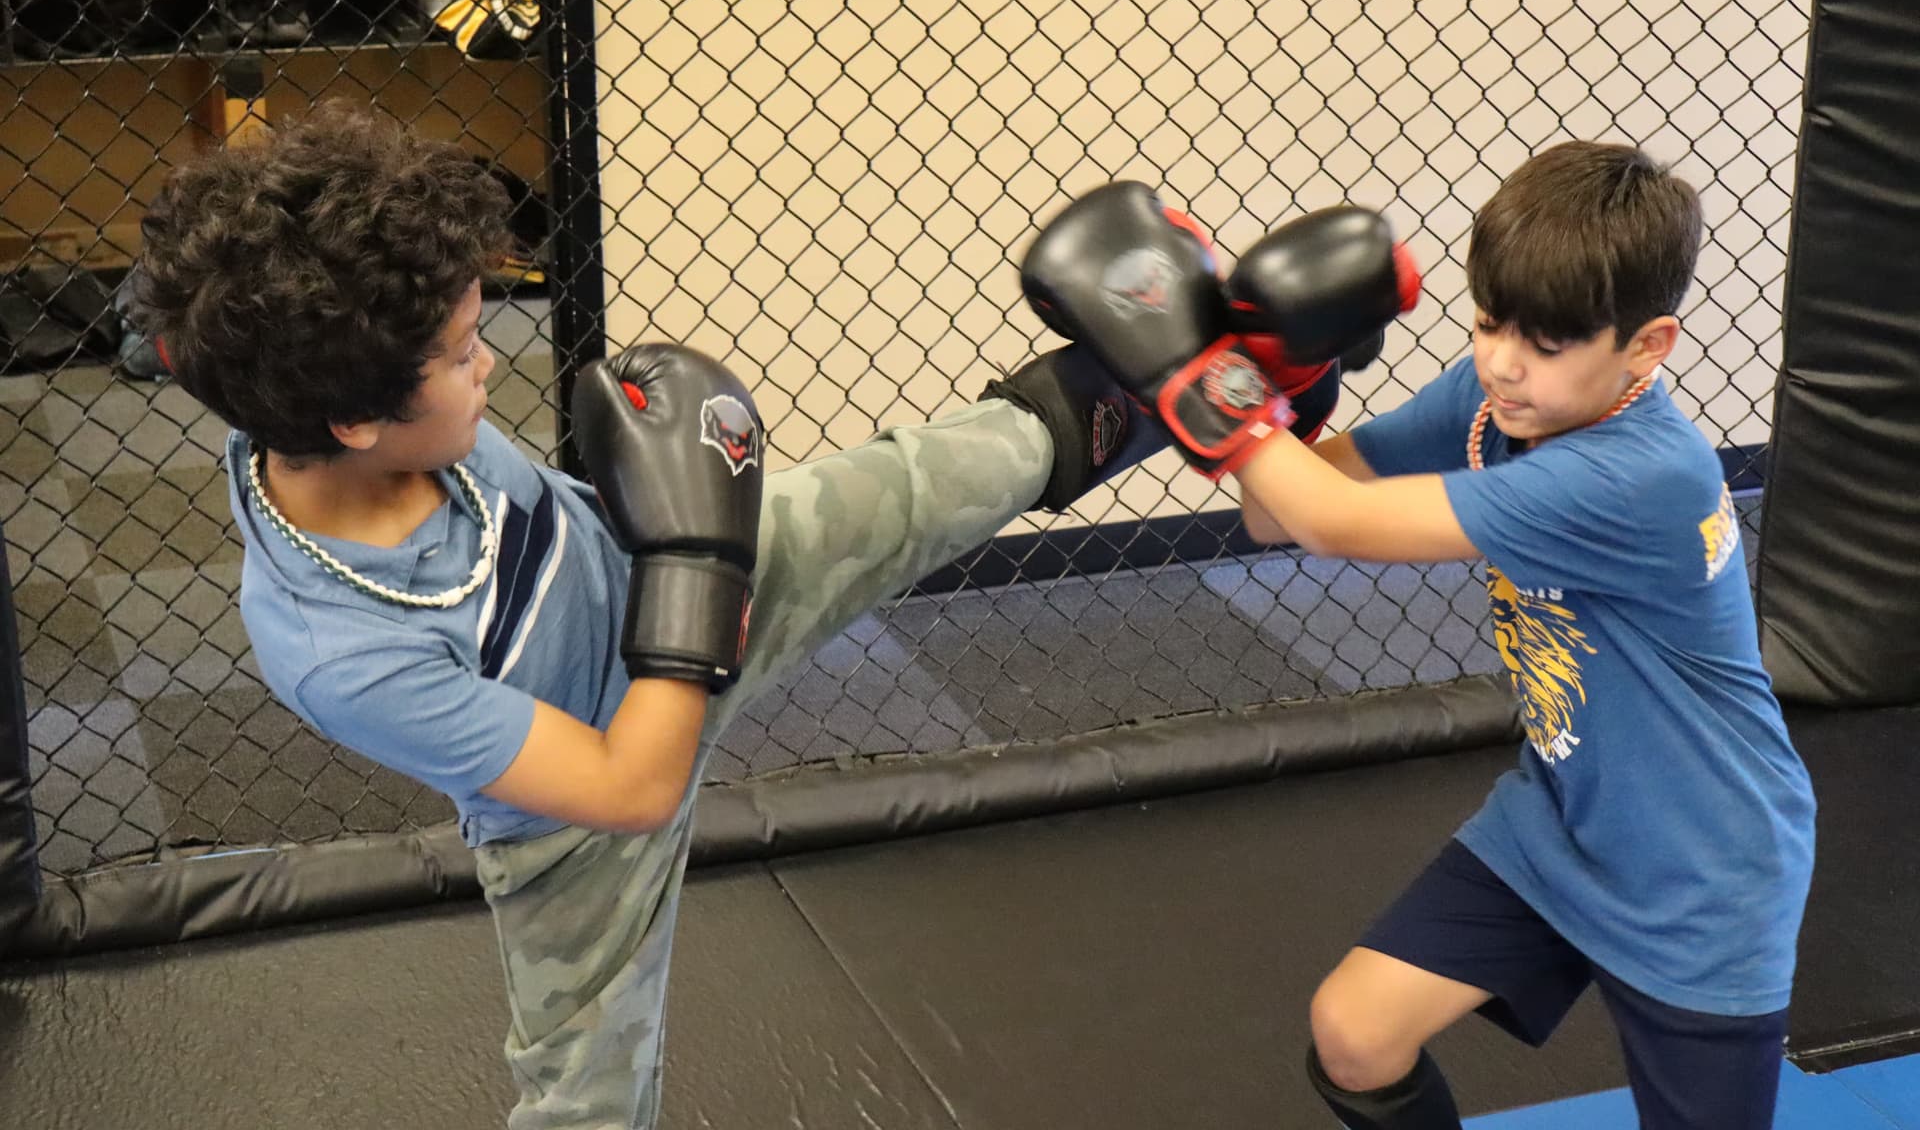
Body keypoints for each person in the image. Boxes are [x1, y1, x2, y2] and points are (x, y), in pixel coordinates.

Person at [130, 101, 1361, 1128]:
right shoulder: (338, 649)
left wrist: (689, 555)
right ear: (354, 419)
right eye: (459, 355)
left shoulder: (319, 380)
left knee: (941, 474)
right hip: (581, 801)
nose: (489, 360)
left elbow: (285, 310)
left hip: (668, 571)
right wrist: (700, 560)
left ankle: (1209, 377)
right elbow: (631, 786)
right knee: (585, 1084)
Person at [1016, 145, 1817, 1130]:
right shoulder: (1493, 401)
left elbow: (1336, 523)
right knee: (1355, 1035)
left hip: (1705, 872)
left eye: (1548, 343)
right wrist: (1279, 377)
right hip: (1563, 823)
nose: (1504, 362)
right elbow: (1280, 510)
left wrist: (1201, 376)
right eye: (1489, 322)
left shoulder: (1644, 474)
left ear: (1647, 346)